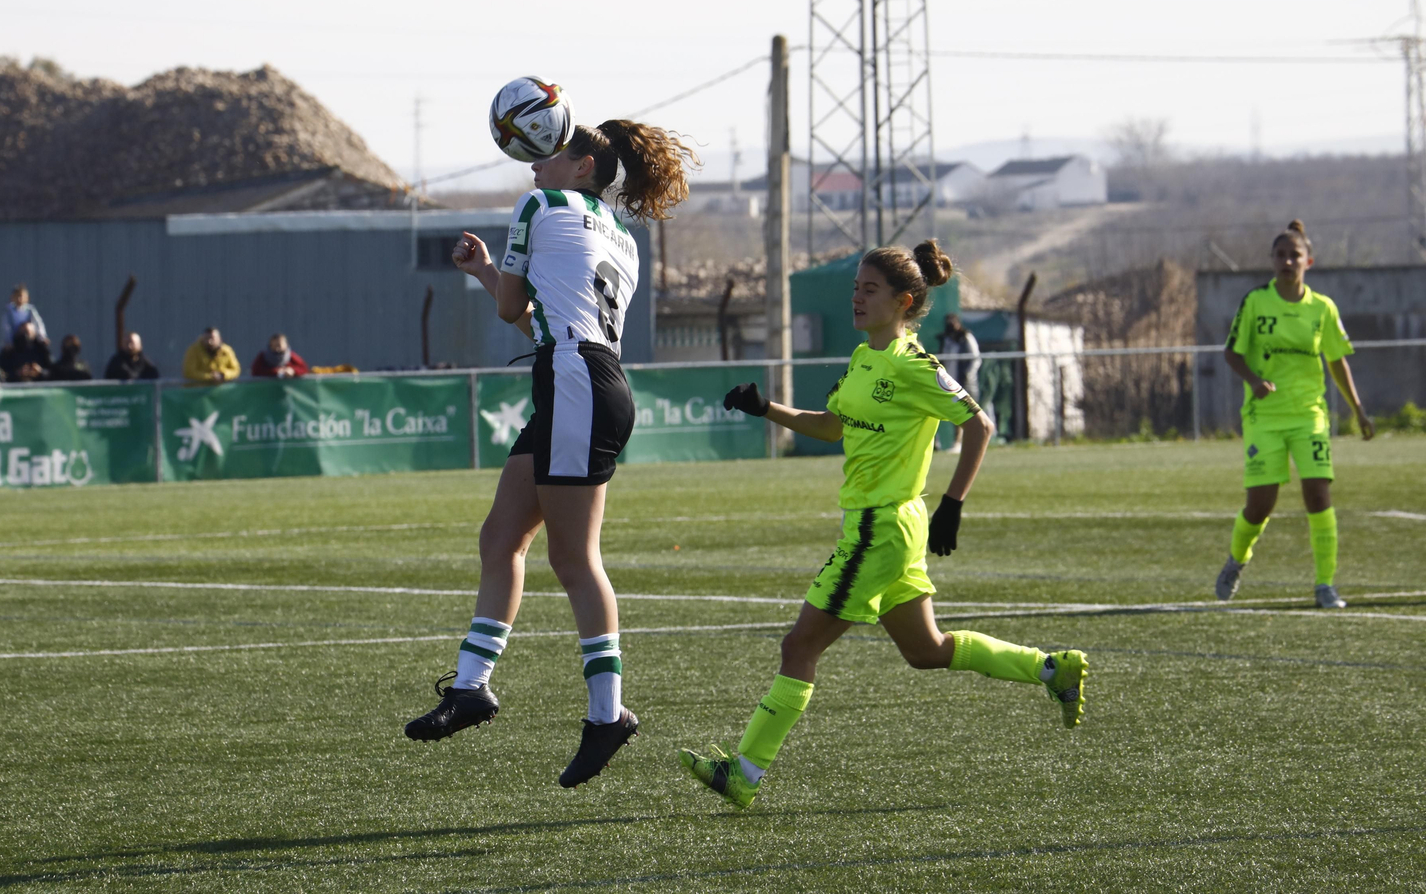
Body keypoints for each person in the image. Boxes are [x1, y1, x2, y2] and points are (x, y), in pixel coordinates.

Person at [677, 241, 1089, 810]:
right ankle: (1051, 668)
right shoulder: (863, 358)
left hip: (882, 528)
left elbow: (980, 426)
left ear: (905, 301)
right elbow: (832, 427)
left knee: (799, 646)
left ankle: (744, 772)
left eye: (869, 290)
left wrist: (954, 503)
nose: (857, 298)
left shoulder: (916, 365)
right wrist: (766, 407)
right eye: (855, 289)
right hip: (886, 528)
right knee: (927, 650)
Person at [404, 118, 696, 789]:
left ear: (584, 166)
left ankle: (607, 714)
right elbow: (539, 313)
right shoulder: (622, 236)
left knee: (573, 557)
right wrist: (487, 270)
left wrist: (493, 276)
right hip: (583, 380)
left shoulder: (539, 206)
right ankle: (472, 687)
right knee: (501, 537)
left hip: (575, 383)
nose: (534, 165)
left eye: (548, 155)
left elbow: (513, 309)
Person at [1214, 219, 1374, 610]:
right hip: (1265, 416)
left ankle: (1325, 585)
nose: (1288, 261)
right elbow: (1232, 352)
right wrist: (1253, 380)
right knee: (1260, 505)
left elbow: (1337, 362)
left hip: (1309, 415)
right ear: (1272, 260)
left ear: (1309, 261)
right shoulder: (1255, 302)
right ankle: (1237, 559)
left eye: (1295, 255)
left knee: (1318, 492)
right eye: (1281, 255)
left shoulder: (1322, 309)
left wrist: (1358, 410)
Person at [937, 312, 981, 453]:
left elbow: (975, 358)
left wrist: (967, 375)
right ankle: (955, 443)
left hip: (965, 383)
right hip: (948, 382)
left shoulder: (966, 337)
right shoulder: (947, 339)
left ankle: (963, 443)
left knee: (967, 414)